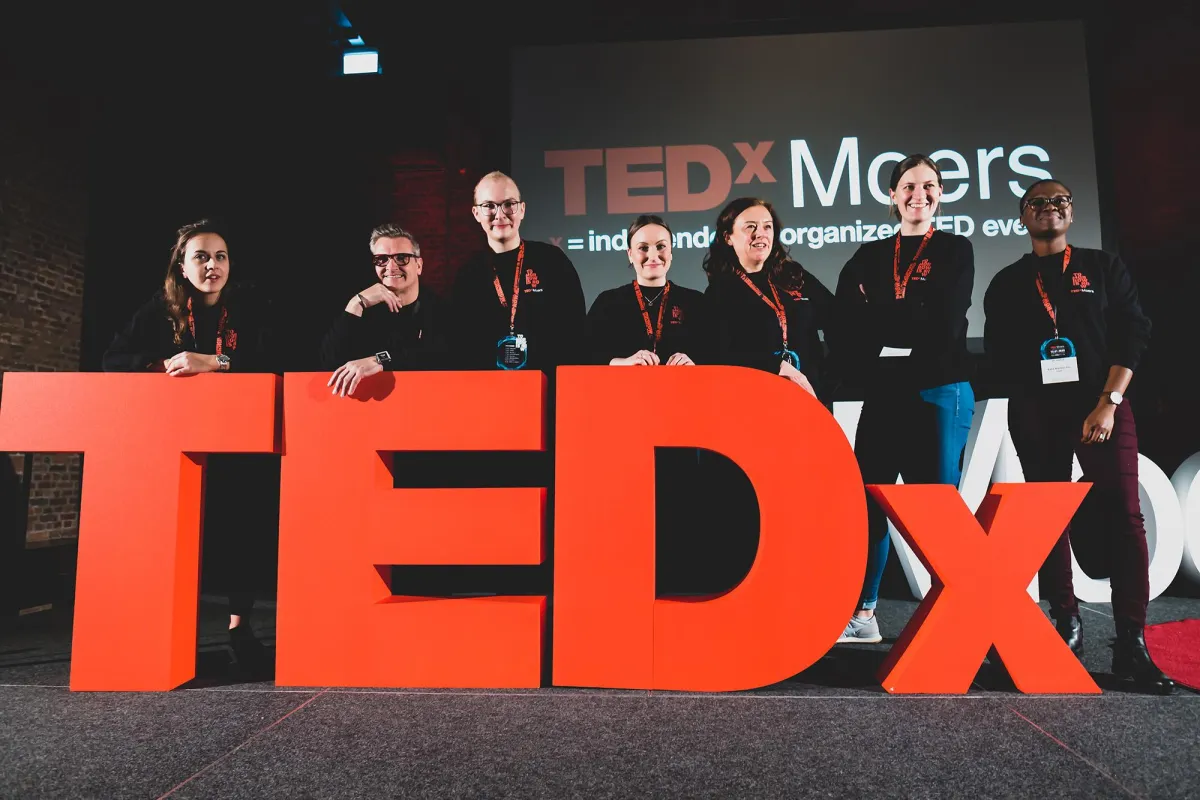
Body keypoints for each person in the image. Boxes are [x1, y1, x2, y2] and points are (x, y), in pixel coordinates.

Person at [983, 178, 1172, 694]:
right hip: (1038, 412)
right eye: (1038, 203)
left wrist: (1108, 402)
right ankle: (1066, 622)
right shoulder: (1007, 281)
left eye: (1059, 201)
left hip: (1102, 406)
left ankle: (1131, 640)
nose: (1049, 208)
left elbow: (1134, 332)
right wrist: (1028, 405)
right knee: (1048, 518)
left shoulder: (1103, 267)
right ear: (1023, 216)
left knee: (1125, 514)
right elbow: (1000, 353)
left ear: (1071, 212)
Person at [103, 218, 276, 676]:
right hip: (176, 443)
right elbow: (113, 359)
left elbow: (275, 359)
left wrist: (217, 361)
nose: (212, 265)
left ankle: (240, 628)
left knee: (242, 533)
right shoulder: (161, 309)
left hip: (238, 439)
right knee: (181, 537)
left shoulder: (248, 305)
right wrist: (166, 364)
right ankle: (176, 632)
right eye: (201, 257)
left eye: (220, 256)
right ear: (182, 267)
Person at [831, 154, 975, 644]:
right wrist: (905, 316)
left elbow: (946, 321)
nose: (919, 194)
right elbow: (846, 321)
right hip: (883, 395)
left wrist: (882, 318)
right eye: (909, 186)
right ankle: (864, 614)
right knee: (869, 500)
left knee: (935, 509)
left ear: (941, 193)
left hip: (939, 390)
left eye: (929, 185)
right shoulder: (870, 255)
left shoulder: (955, 249)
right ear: (892, 195)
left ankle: (960, 613)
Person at [450, 171, 586, 374]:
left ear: (522, 209)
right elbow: (459, 345)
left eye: (508, 204)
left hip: (547, 384)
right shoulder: (468, 274)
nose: (500, 214)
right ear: (476, 213)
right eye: (489, 206)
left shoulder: (552, 260)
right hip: (489, 388)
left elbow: (576, 331)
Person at [702, 197, 834, 397]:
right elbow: (718, 355)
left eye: (767, 227)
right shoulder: (720, 292)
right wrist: (775, 365)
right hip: (755, 400)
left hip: (809, 399)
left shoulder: (794, 275)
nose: (760, 234)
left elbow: (838, 320)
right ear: (728, 237)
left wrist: (826, 382)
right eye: (750, 227)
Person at [319, 223, 450, 396]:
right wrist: (355, 304)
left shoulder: (441, 310)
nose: (391, 267)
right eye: (382, 259)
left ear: (418, 265)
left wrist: (379, 360)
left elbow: (437, 355)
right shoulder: (363, 310)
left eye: (401, 258)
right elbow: (328, 365)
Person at [586, 214, 708, 367]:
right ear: (630, 254)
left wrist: (695, 365)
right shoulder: (608, 302)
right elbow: (585, 354)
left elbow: (716, 353)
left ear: (671, 252)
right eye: (643, 248)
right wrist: (623, 363)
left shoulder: (696, 302)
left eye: (661, 246)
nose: (653, 256)